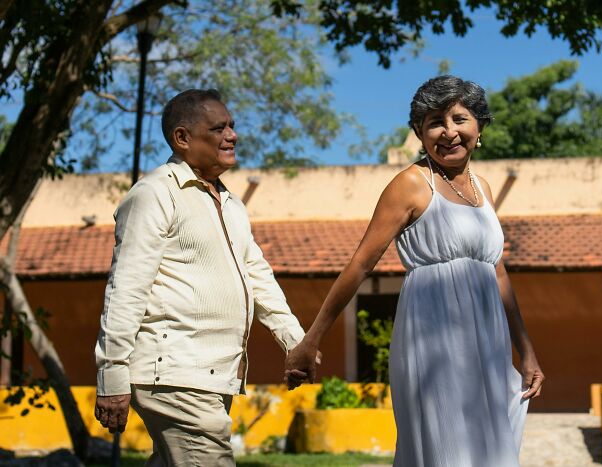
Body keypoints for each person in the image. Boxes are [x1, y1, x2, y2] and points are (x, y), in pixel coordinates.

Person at [285, 76, 545, 466]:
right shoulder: (410, 184)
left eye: (460, 119)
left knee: (488, 448)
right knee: (447, 448)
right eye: (435, 122)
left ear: (480, 126)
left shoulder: (484, 188)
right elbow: (359, 264)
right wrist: (312, 338)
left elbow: (499, 272)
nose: (449, 132)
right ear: (420, 133)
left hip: (487, 341)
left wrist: (526, 351)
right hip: (433, 335)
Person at [94, 89, 310, 466]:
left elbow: (257, 275)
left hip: (213, 376)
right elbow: (126, 288)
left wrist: (295, 341)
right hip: (176, 372)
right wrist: (111, 373)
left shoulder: (231, 204)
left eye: (232, 126)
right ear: (183, 138)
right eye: (219, 128)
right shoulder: (154, 194)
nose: (233, 135)